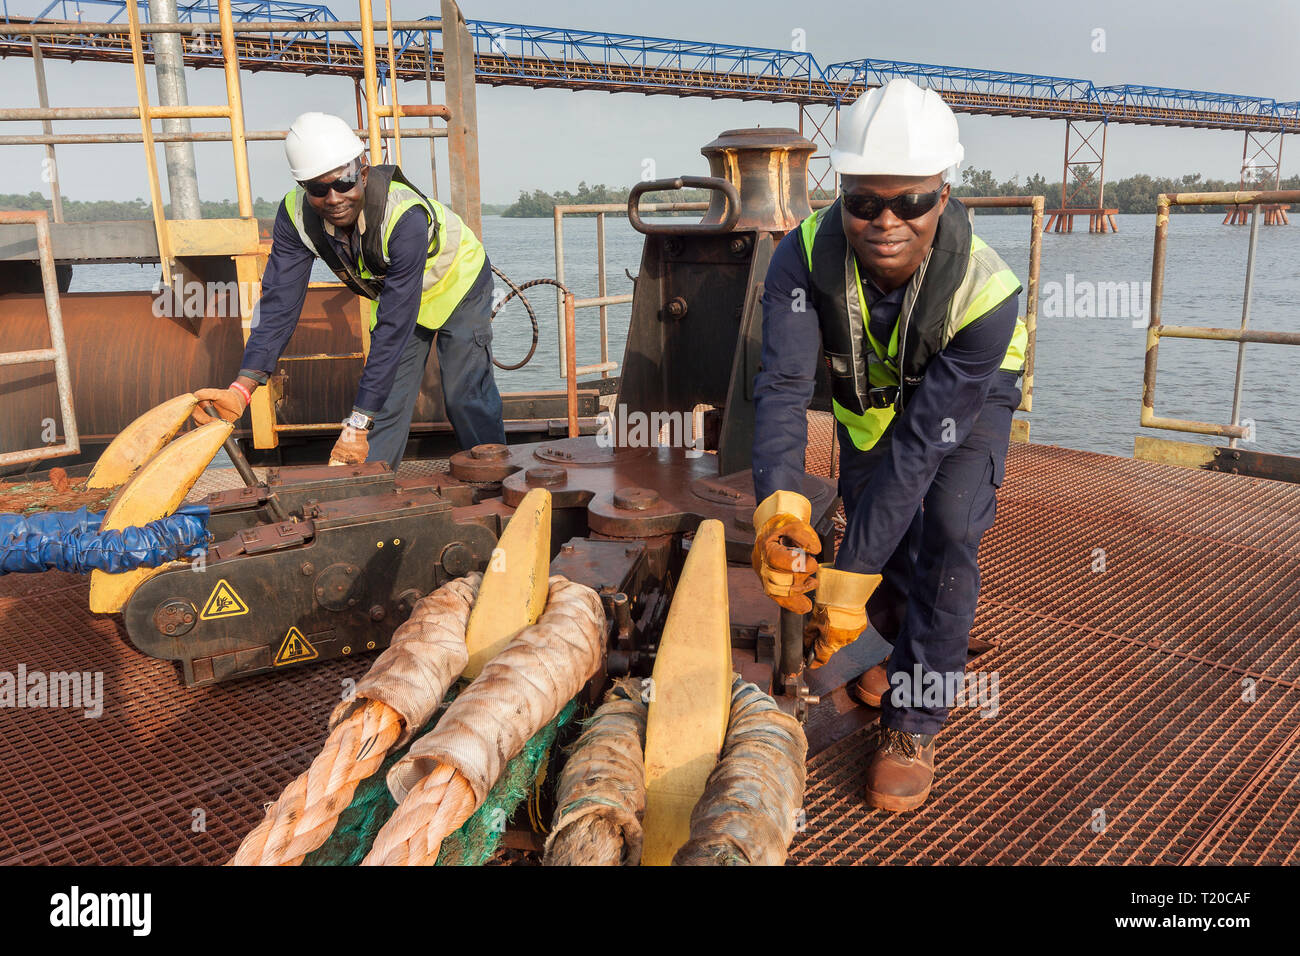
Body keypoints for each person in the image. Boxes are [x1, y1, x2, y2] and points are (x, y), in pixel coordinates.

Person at [750, 78, 1026, 812]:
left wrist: (843, 585)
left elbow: (921, 448)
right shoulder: (800, 258)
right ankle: (887, 652)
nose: (886, 220)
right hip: (874, 400)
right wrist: (776, 507)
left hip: (964, 398)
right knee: (872, 511)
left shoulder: (987, 296)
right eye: (865, 200)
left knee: (947, 524)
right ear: (841, 193)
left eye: (911, 201)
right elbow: (780, 388)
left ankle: (916, 717)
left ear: (943, 193)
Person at [194, 112, 506, 468]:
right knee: (383, 404)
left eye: (343, 181)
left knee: (465, 395)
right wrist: (243, 387)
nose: (333, 197)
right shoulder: (295, 217)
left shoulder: (404, 216)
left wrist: (356, 421)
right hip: (395, 294)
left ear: (364, 171)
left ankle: (494, 478)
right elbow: (279, 304)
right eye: (317, 188)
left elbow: (395, 325)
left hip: (457, 284)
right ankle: (371, 492)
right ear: (303, 188)